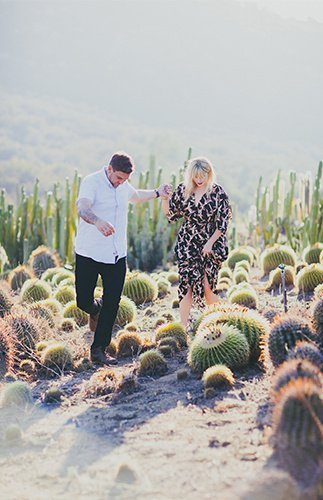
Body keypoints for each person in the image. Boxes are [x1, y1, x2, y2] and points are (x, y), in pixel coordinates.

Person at [75, 151, 172, 365]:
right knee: (83, 301)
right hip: (89, 252)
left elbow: (135, 195)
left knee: (113, 302)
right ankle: (94, 309)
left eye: (125, 180)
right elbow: (82, 207)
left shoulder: (122, 185)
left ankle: (98, 349)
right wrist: (98, 221)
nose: (121, 183)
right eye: (119, 178)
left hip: (116, 254)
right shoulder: (92, 182)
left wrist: (157, 192)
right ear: (109, 169)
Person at [162, 157, 231, 328]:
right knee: (186, 285)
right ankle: (184, 327)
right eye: (196, 176)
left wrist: (209, 243)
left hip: (211, 242)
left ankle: (216, 325)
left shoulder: (218, 192)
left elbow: (223, 223)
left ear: (209, 174)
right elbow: (170, 214)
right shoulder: (184, 190)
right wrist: (165, 198)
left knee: (208, 285)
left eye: (202, 176)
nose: (199, 180)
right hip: (188, 243)